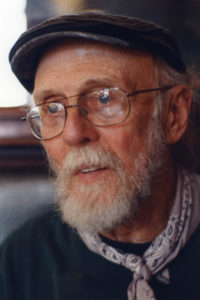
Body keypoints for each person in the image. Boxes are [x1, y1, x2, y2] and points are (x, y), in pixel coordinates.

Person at [0, 12, 200, 300]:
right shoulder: (20, 261)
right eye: (52, 108)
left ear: (173, 115)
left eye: (104, 98)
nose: (72, 133)